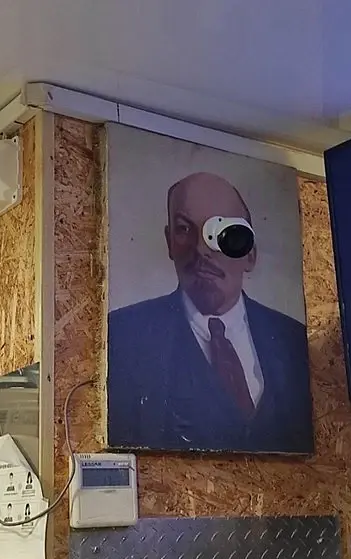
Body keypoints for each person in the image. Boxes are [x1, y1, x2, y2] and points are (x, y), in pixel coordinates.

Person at [108, 172, 312, 453]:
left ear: (249, 253)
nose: (202, 249)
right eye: (184, 229)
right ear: (169, 242)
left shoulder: (293, 342)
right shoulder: (123, 338)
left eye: (222, 234)